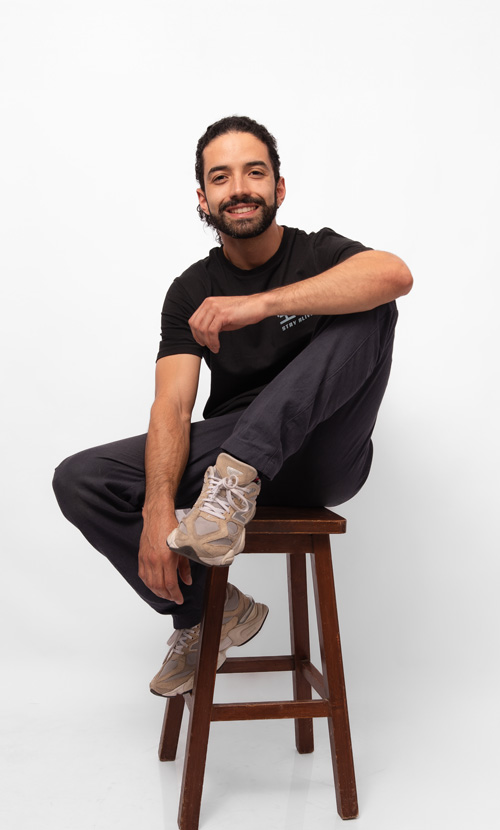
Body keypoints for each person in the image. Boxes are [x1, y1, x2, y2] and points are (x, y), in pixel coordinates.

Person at [53, 115, 413, 697]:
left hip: (322, 453)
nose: (239, 188)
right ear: (203, 198)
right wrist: (158, 510)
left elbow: (395, 273)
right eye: (221, 177)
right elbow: (173, 406)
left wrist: (261, 305)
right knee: (82, 479)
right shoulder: (190, 290)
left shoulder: (316, 251)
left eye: (255, 172)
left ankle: (237, 475)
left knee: (374, 301)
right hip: (229, 451)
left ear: (279, 187)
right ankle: (210, 612)